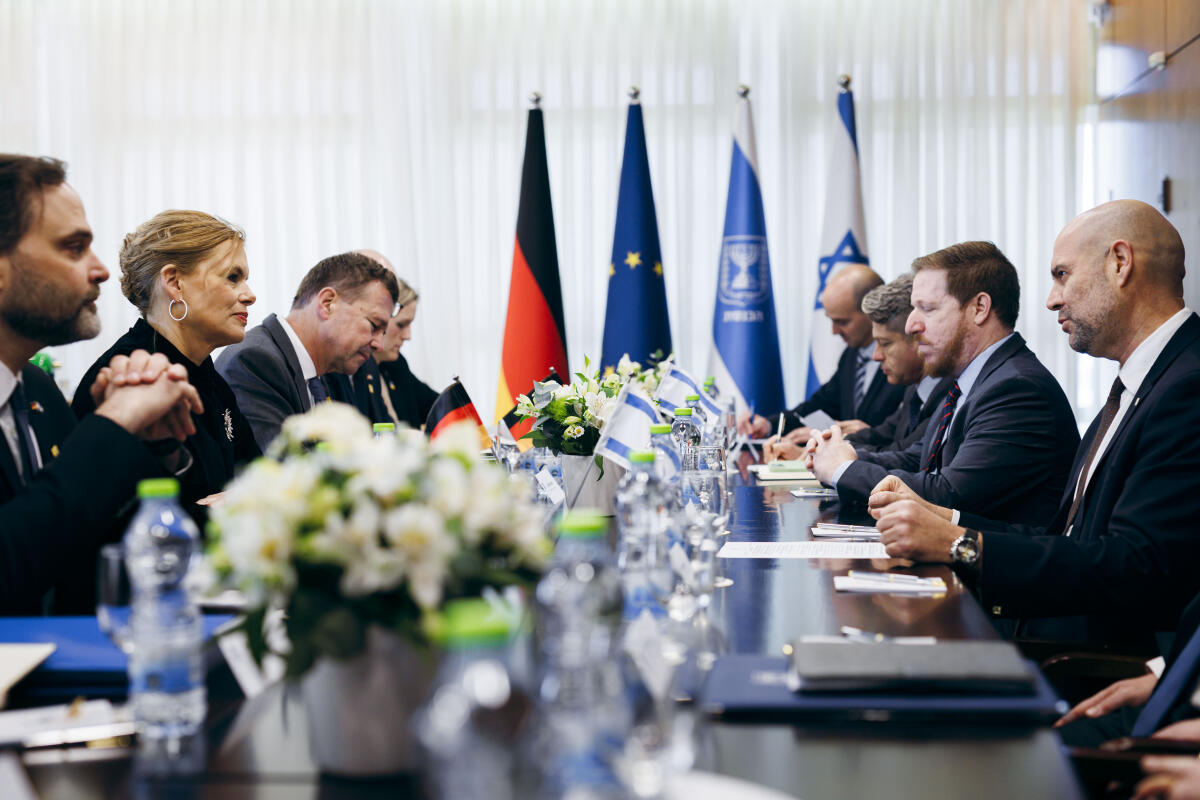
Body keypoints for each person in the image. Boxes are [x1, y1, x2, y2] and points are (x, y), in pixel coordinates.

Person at [869, 201, 1200, 651]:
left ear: (1120, 263)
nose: (1051, 299)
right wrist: (946, 520)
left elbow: (1132, 564)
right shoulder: (1144, 379)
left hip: (1088, 661)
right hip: (1048, 627)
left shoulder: (1187, 384)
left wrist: (959, 544)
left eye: (1061, 274)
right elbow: (1065, 537)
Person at [0, 154, 203, 614]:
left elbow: (87, 558)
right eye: (73, 248)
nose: (102, 270)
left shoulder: (37, 392)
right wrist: (111, 425)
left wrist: (151, 445)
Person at [809, 241, 1078, 525]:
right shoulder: (969, 381)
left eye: (927, 309)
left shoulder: (1017, 390)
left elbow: (948, 495)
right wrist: (843, 456)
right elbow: (918, 461)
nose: (912, 325)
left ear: (979, 308)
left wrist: (843, 470)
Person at [72, 210, 261, 512]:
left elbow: (257, 480)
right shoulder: (123, 380)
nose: (250, 295)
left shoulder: (209, 378)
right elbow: (120, 519)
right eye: (233, 277)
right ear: (175, 283)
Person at [215, 251, 399, 450]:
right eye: (374, 326)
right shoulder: (254, 363)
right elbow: (281, 472)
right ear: (327, 303)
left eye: (383, 332)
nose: (378, 344)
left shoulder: (316, 374)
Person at [765, 272, 951, 461]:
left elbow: (906, 456)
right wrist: (825, 444)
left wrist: (835, 455)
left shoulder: (950, 391)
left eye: (885, 344)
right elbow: (882, 434)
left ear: (917, 336)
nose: (876, 356)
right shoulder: (914, 389)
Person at [740, 264, 904, 441]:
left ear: (871, 312)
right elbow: (820, 406)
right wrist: (769, 425)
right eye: (832, 321)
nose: (834, 331)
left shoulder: (906, 362)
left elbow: (905, 438)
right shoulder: (852, 355)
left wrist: (862, 436)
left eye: (842, 322)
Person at [330, 249, 437, 429]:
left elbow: (438, 407)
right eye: (401, 324)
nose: (408, 336)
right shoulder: (341, 365)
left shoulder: (393, 365)